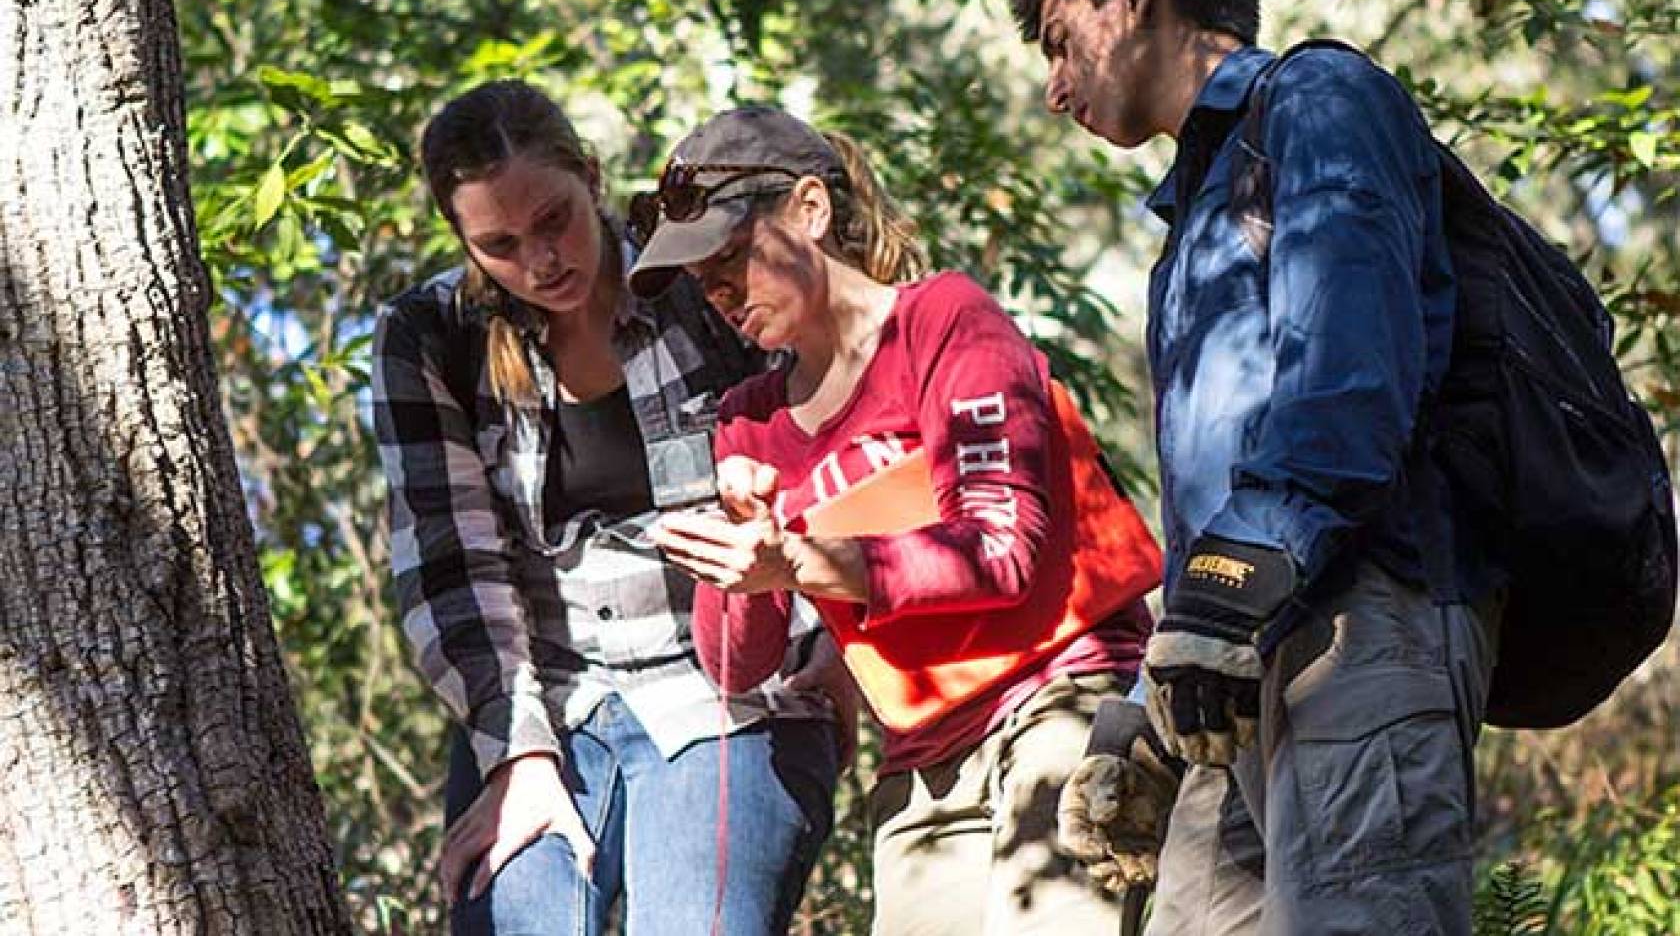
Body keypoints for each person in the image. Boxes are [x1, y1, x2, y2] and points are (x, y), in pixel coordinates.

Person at [1010, 0, 1503, 932]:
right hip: (1255, 652)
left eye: (1057, 42)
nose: (1053, 89)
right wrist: (1156, 715)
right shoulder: (1205, 196)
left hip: (1363, 624)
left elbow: (1349, 373)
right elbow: (1225, 489)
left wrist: (1233, 586)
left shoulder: (1320, 98)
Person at [631, 106, 1158, 935]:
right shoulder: (747, 419)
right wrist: (732, 555)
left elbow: (1000, 549)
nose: (720, 291)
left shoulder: (944, 320)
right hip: (923, 764)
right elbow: (740, 667)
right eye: (703, 279)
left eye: (730, 256)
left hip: (1063, 699)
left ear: (811, 210)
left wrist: (799, 559)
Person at [370, 80, 849, 936]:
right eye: (500, 245)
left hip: (732, 691)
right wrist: (517, 756)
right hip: (543, 703)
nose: (540, 261)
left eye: (553, 219)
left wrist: (847, 650)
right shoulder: (430, 336)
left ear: (589, 176)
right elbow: (450, 564)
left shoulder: (699, 284)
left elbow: (841, 446)